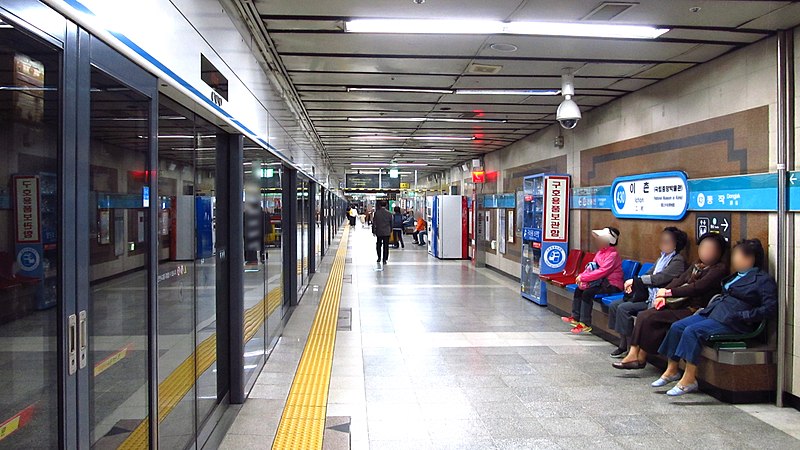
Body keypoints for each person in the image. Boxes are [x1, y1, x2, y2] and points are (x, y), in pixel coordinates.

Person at [652, 239, 776, 396]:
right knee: (677, 327)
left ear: (750, 258)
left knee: (692, 331)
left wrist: (743, 315)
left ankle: (689, 379)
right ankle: (672, 370)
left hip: (735, 322)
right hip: (715, 313)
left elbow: (770, 308)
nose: (734, 259)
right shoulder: (737, 275)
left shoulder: (762, 280)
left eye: (738, 255)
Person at [612, 232, 728, 370]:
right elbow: (679, 280)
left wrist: (669, 292)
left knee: (649, 316)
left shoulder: (719, 269)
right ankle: (635, 354)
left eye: (710, 249)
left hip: (695, 309)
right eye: (703, 248)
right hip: (680, 304)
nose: (705, 252)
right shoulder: (696, 265)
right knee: (646, 315)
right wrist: (663, 294)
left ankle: (640, 357)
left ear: (719, 252)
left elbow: (696, 288)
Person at [608, 227, 689, 357]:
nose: (663, 244)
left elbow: (660, 278)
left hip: (657, 299)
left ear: (676, 244)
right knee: (614, 305)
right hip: (646, 294)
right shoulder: (661, 258)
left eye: (667, 241)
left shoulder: (678, 261)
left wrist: (636, 281)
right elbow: (648, 274)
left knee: (623, 308)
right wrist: (635, 282)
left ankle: (628, 346)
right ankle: (623, 341)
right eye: (662, 241)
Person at [562, 227, 623, 334]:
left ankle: (585, 323)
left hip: (611, 285)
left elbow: (603, 271)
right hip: (600, 282)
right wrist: (581, 278)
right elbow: (591, 267)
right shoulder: (600, 253)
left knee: (587, 293)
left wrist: (584, 278)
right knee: (579, 290)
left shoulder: (613, 255)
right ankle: (575, 317)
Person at [372, 201, 393, 266]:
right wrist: (390, 230)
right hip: (387, 232)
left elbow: (374, 223)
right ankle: (385, 259)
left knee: (378, 244)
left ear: (380, 205)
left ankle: (379, 257)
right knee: (386, 246)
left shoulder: (376, 213)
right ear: (386, 205)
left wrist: (373, 231)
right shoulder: (389, 213)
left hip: (379, 231)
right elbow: (391, 223)